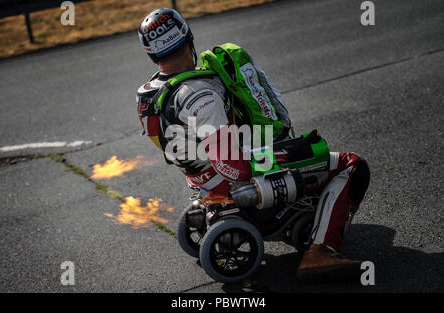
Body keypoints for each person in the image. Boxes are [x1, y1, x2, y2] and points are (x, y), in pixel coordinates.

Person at [136, 8, 370, 281]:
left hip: (201, 181)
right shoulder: (200, 96)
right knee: (351, 164)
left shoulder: (148, 95)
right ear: (188, 36)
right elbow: (233, 166)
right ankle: (321, 251)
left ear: (151, 53)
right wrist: (279, 154)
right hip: (232, 181)